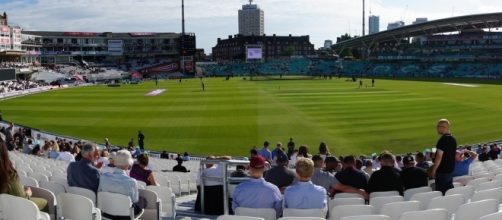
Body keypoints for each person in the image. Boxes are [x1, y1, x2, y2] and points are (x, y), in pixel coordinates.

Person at [0, 137, 48, 211]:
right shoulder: (8, 176)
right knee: (45, 202)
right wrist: (28, 193)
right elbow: (22, 199)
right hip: (10, 210)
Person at [98, 150, 144, 218]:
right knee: (142, 202)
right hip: (125, 216)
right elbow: (135, 200)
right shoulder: (132, 182)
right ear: (128, 164)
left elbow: (99, 192)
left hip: (106, 214)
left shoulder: (103, 177)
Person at [431, 119, 457, 195]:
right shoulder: (453, 139)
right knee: (449, 192)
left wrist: (434, 170)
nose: (437, 128)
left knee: (441, 193)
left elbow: (439, 157)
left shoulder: (442, 140)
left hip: (442, 172)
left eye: (438, 126)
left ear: (444, 127)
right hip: (450, 171)